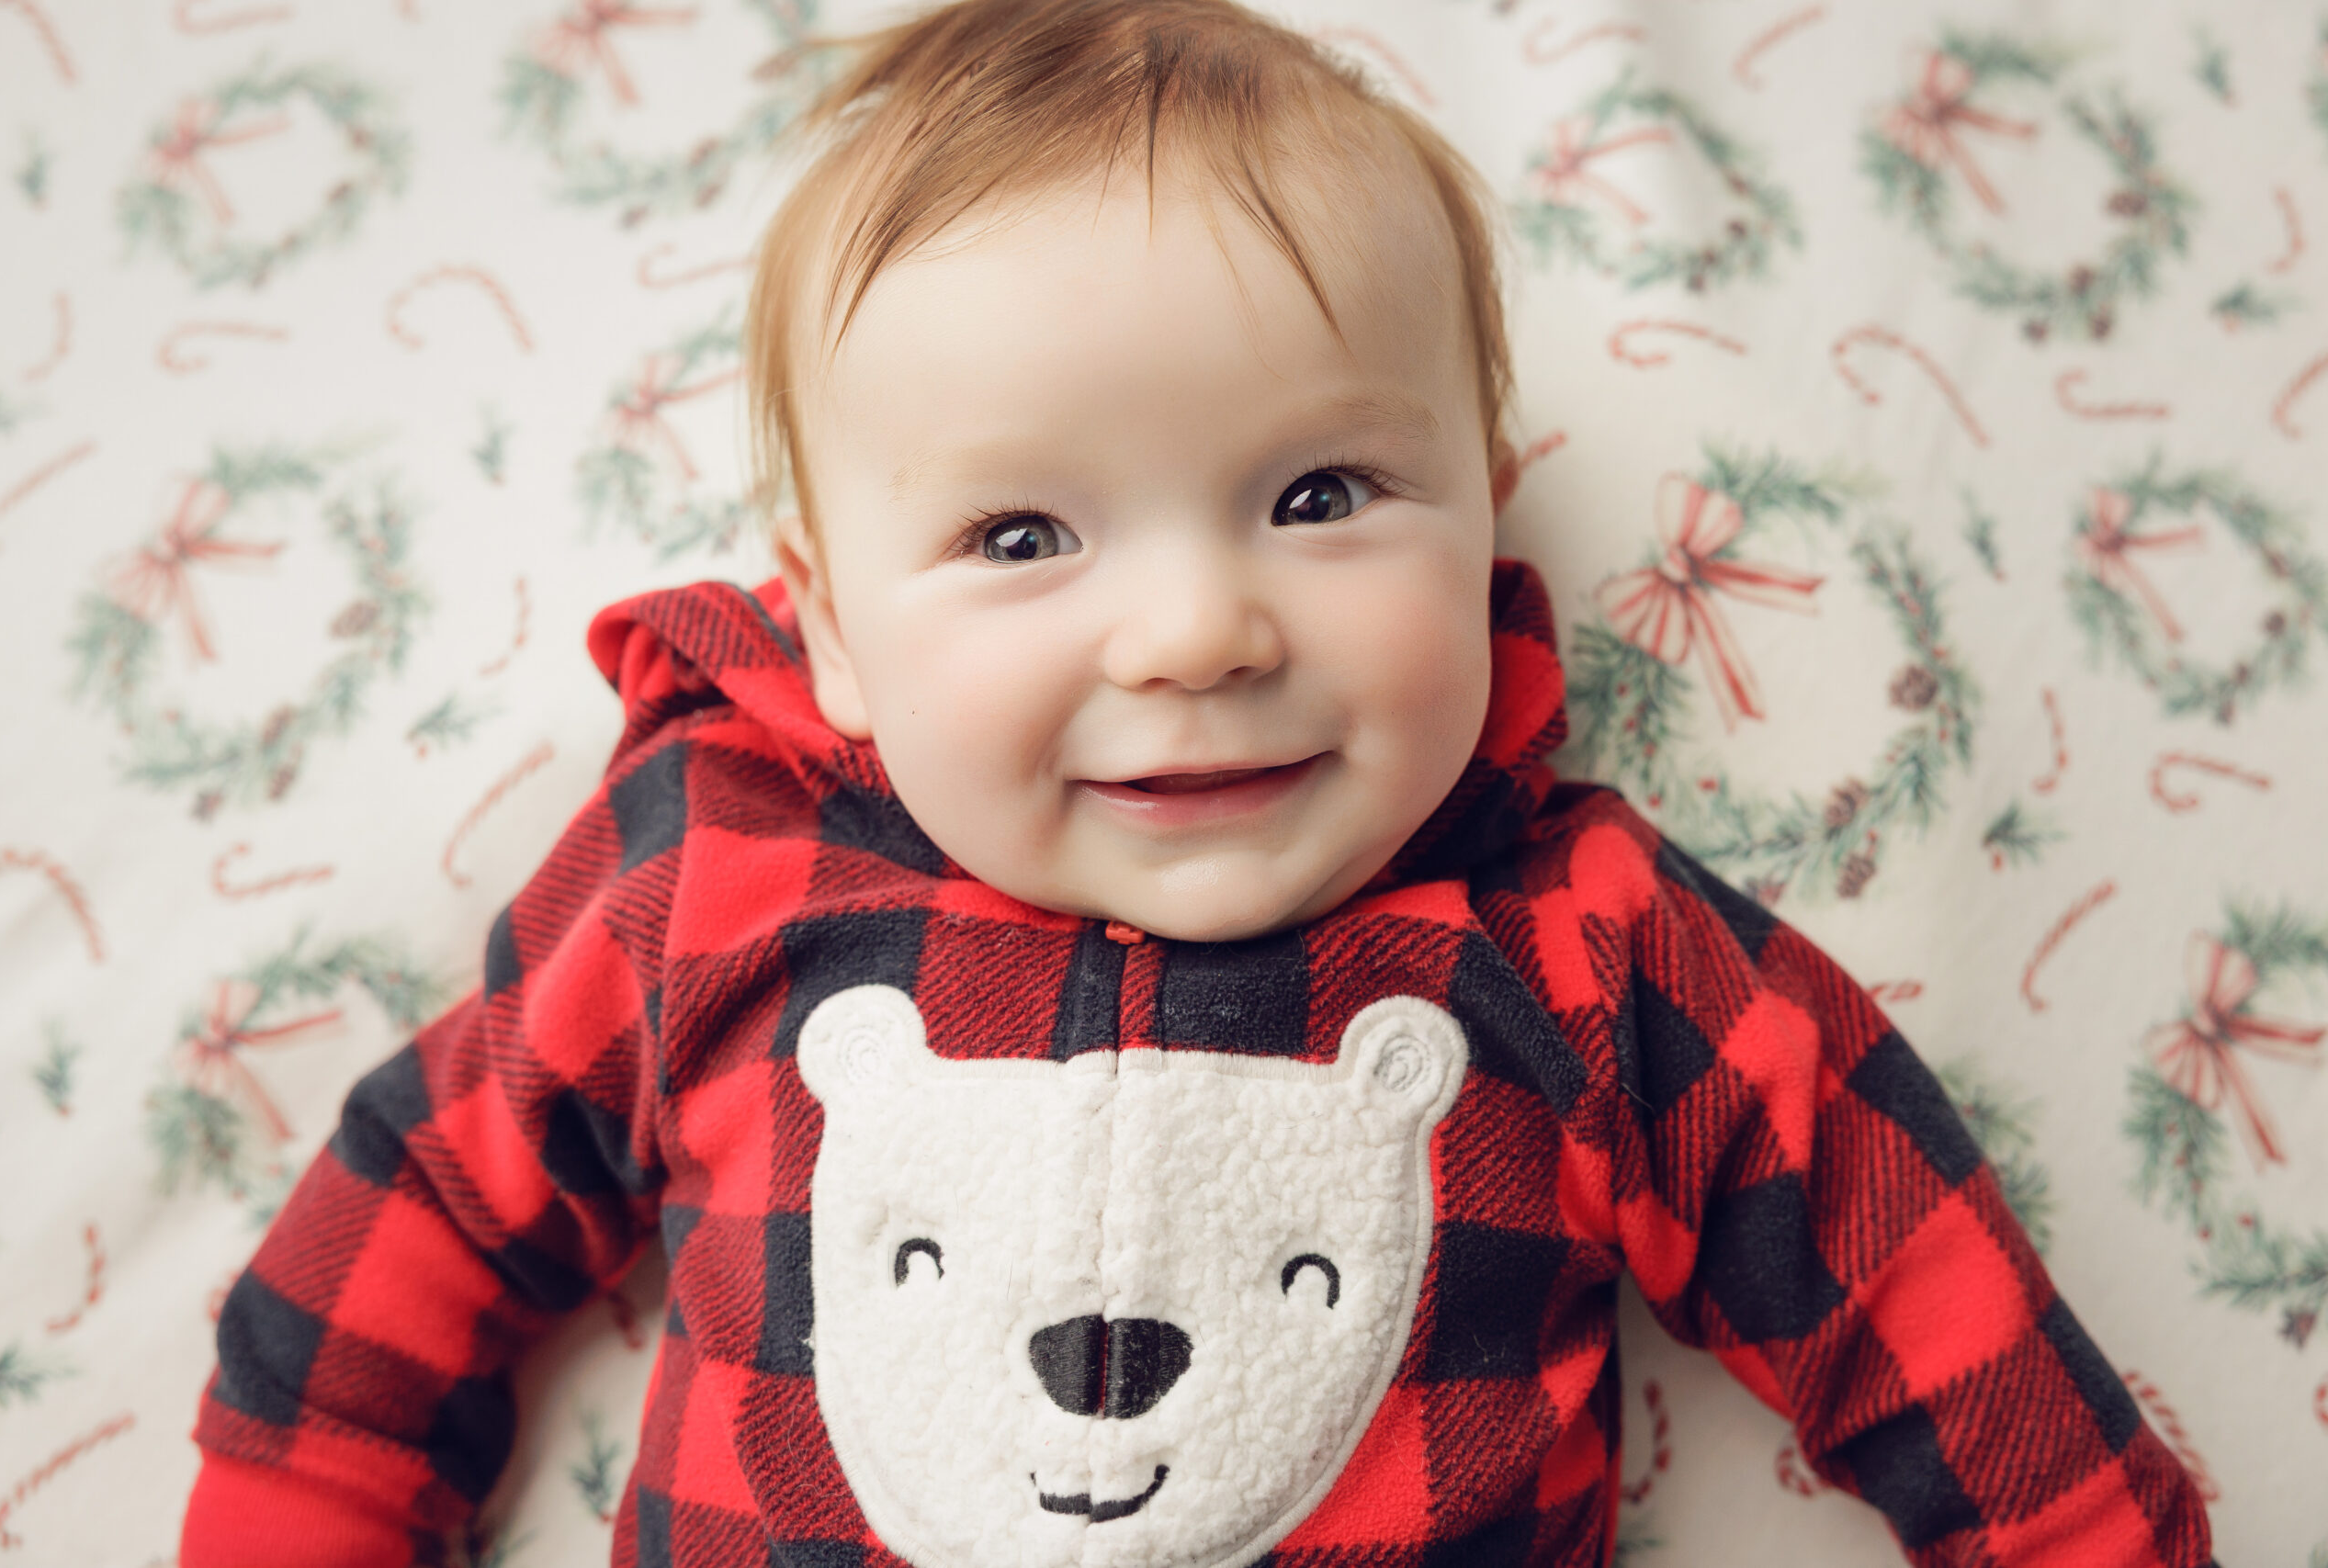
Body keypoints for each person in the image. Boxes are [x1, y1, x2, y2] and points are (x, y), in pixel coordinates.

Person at [180, 1, 2218, 1563]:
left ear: (1484, 513)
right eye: (1017, 536)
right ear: (824, 628)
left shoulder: (1577, 943)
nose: (1192, 630)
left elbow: (1895, 1260)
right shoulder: (710, 880)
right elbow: (417, 1209)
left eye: (1318, 495)